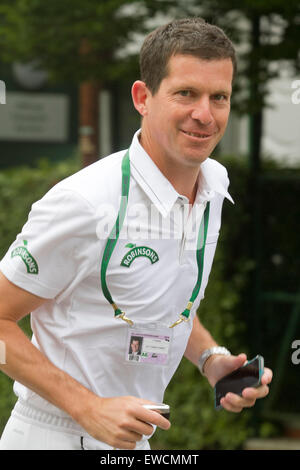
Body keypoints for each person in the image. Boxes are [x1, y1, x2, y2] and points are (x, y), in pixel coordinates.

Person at [0, 17, 272, 451]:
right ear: (143, 98)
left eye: (218, 97)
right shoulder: (86, 202)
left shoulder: (214, 185)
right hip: (53, 436)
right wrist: (87, 407)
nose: (204, 114)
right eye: (186, 93)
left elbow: (162, 296)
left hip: (131, 440)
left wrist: (211, 360)